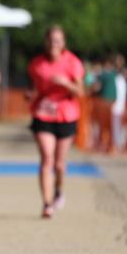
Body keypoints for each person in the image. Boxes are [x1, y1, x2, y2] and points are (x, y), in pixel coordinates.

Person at [27, 26, 86, 218]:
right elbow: (33, 88)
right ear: (46, 42)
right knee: (47, 158)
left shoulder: (72, 63)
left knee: (59, 164)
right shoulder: (37, 64)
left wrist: (65, 83)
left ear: (64, 43)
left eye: (58, 41)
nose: (54, 44)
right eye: (51, 40)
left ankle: (59, 190)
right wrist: (30, 95)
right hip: (43, 114)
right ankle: (46, 203)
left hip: (66, 115)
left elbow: (81, 92)